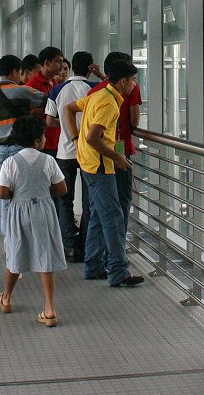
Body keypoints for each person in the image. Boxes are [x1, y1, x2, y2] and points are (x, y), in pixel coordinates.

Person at [64, 58, 144, 288]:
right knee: (113, 217)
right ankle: (118, 271)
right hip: (100, 166)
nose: (134, 85)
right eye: (133, 81)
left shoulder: (98, 95)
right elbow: (93, 137)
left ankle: (94, 265)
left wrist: (74, 137)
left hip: (89, 163)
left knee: (99, 216)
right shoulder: (109, 103)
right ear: (123, 81)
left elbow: (70, 109)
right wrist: (117, 157)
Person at [0, 115, 67, 327]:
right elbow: (62, 188)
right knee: (45, 257)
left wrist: (15, 193)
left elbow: (2, 192)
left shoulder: (10, 162)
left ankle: (7, 298)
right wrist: (45, 191)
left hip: (19, 211)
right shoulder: (49, 160)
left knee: (16, 251)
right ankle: (49, 308)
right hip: (44, 210)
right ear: (38, 140)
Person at [0, 54, 47, 233]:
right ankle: (24, 232)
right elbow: (48, 101)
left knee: (6, 194)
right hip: (22, 149)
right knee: (25, 192)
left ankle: (8, 233)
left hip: (0, 149)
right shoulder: (23, 91)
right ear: (16, 71)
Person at [87, 51, 142, 244]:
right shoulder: (131, 89)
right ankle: (118, 246)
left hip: (97, 155)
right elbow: (135, 119)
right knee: (122, 200)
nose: (134, 81)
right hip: (119, 148)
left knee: (98, 206)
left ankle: (97, 253)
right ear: (124, 77)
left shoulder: (96, 90)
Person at [47, 51, 95, 262]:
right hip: (88, 153)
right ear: (90, 67)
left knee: (64, 200)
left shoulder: (58, 89)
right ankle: (86, 244)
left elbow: (49, 121)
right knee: (88, 201)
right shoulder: (94, 89)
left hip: (64, 152)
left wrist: (67, 129)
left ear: (71, 67)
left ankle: (69, 246)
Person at [25, 46, 65, 158]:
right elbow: (29, 115)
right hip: (40, 144)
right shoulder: (31, 86)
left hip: (58, 142)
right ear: (47, 63)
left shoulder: (57, 85)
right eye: (58, 62)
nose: (62, 66)